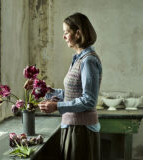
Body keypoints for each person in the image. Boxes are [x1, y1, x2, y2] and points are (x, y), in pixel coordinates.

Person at [38, 12, 102, 160]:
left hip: (81, 130)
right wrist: (45, 90)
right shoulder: (78, 59)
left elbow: (89, 100)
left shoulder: (88, 61)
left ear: (78, 33)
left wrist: (57, 106)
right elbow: (73, 93)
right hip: (73, 126)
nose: (64, 36)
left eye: (66, 32)